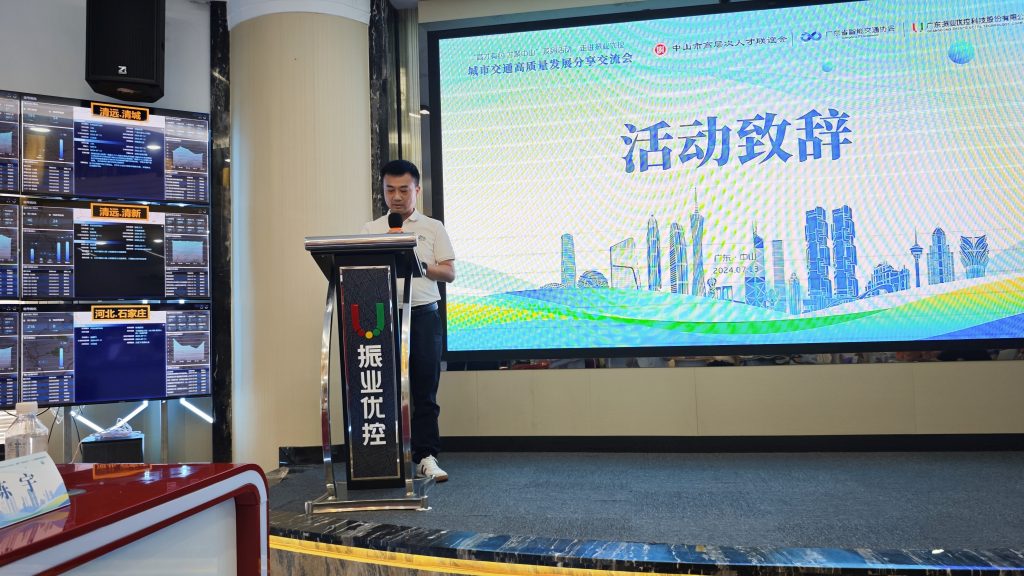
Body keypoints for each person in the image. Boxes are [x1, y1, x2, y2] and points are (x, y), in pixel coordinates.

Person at [361, 160, 455, 482]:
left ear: (417, 190)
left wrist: (421, 266)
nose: (397, 197)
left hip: (423, 315)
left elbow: (449, 272)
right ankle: (386, 457)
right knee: (384, 389)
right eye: (390, 190)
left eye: (404, 189)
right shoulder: (371, 229)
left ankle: (426, 457)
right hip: (383, 317)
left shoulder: (433, 227)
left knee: (424, 391)